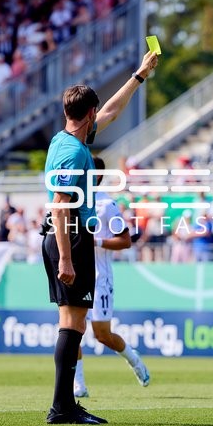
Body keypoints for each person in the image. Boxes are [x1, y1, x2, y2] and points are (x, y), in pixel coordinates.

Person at [42, 50, 158, 425]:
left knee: (71, 325)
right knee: (72, 325)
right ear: (86, 114)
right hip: (70, 237)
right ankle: (62, 408)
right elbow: (61, 205)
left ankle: (65, 406)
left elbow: (110, 111)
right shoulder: (75, 153)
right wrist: (66, 257)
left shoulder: (64, 140)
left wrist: (139, 76)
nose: (100, 117)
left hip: (67, 235)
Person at [73, 157, 151, 398]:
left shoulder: (106, 205)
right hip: (75, 276)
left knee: (102, 335)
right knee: (71, 329)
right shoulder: (72, 201)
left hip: (100, 279)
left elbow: (125, 240)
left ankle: (134, 359)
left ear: (95, 176)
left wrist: (94, 241)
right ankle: (78, 385)